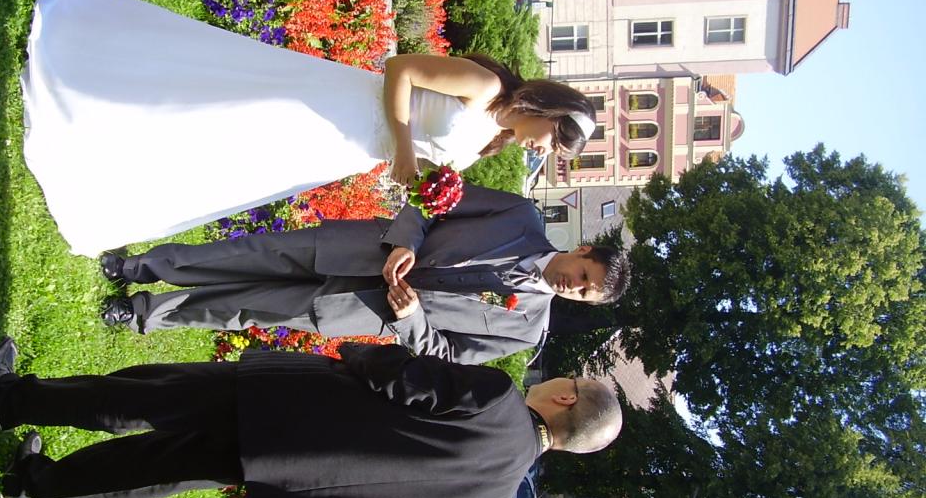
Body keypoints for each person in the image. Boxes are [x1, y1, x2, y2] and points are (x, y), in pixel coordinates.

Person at [22, 0, 598, 256]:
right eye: (553, 142)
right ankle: (107, 93)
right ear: (548, 113)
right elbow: (398, 70)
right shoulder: (485, 87)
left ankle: (124, 159)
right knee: (229, 107)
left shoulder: (491, 140)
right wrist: (403, 147)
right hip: (340, 104)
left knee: (238, 158)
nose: (543, 151)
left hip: (347, 148)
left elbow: (421, 155)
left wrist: (418, 180)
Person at [0, 338, 622, 498]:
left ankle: (6, 402)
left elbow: (401, 377)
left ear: (565, 398)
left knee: (147, 398)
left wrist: (361, 353)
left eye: (563, 380)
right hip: (297, 476)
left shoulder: (501, 399)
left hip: (291, 401)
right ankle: (34, 484)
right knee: (157, 468)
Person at [100, 183, 631, 364]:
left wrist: (412, 319)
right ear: (582, 249)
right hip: (360, 249)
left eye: (583, 294)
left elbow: (445, 353)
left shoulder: (526, 330)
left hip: (364, 310)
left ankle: (142, 313)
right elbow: (436, 199)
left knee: (244, 309)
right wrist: (406, 240)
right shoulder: (520, 216)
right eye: (584, 274)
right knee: (246, 255)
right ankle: (137, 266)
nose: (574, 286)